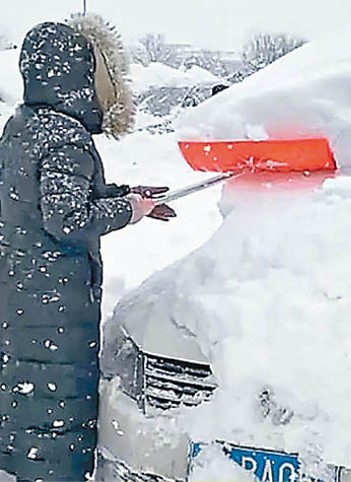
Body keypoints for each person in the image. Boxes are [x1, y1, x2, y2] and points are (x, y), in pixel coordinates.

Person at [0, 14, 175, 481]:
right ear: (79, 75)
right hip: (57, 304)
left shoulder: (25, 125)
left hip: (23, 295)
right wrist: (129, 211)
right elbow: (69, 218)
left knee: (29, 403)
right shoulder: (67, 138)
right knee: (57, 411)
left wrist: (125, 194)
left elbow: (49, 196)